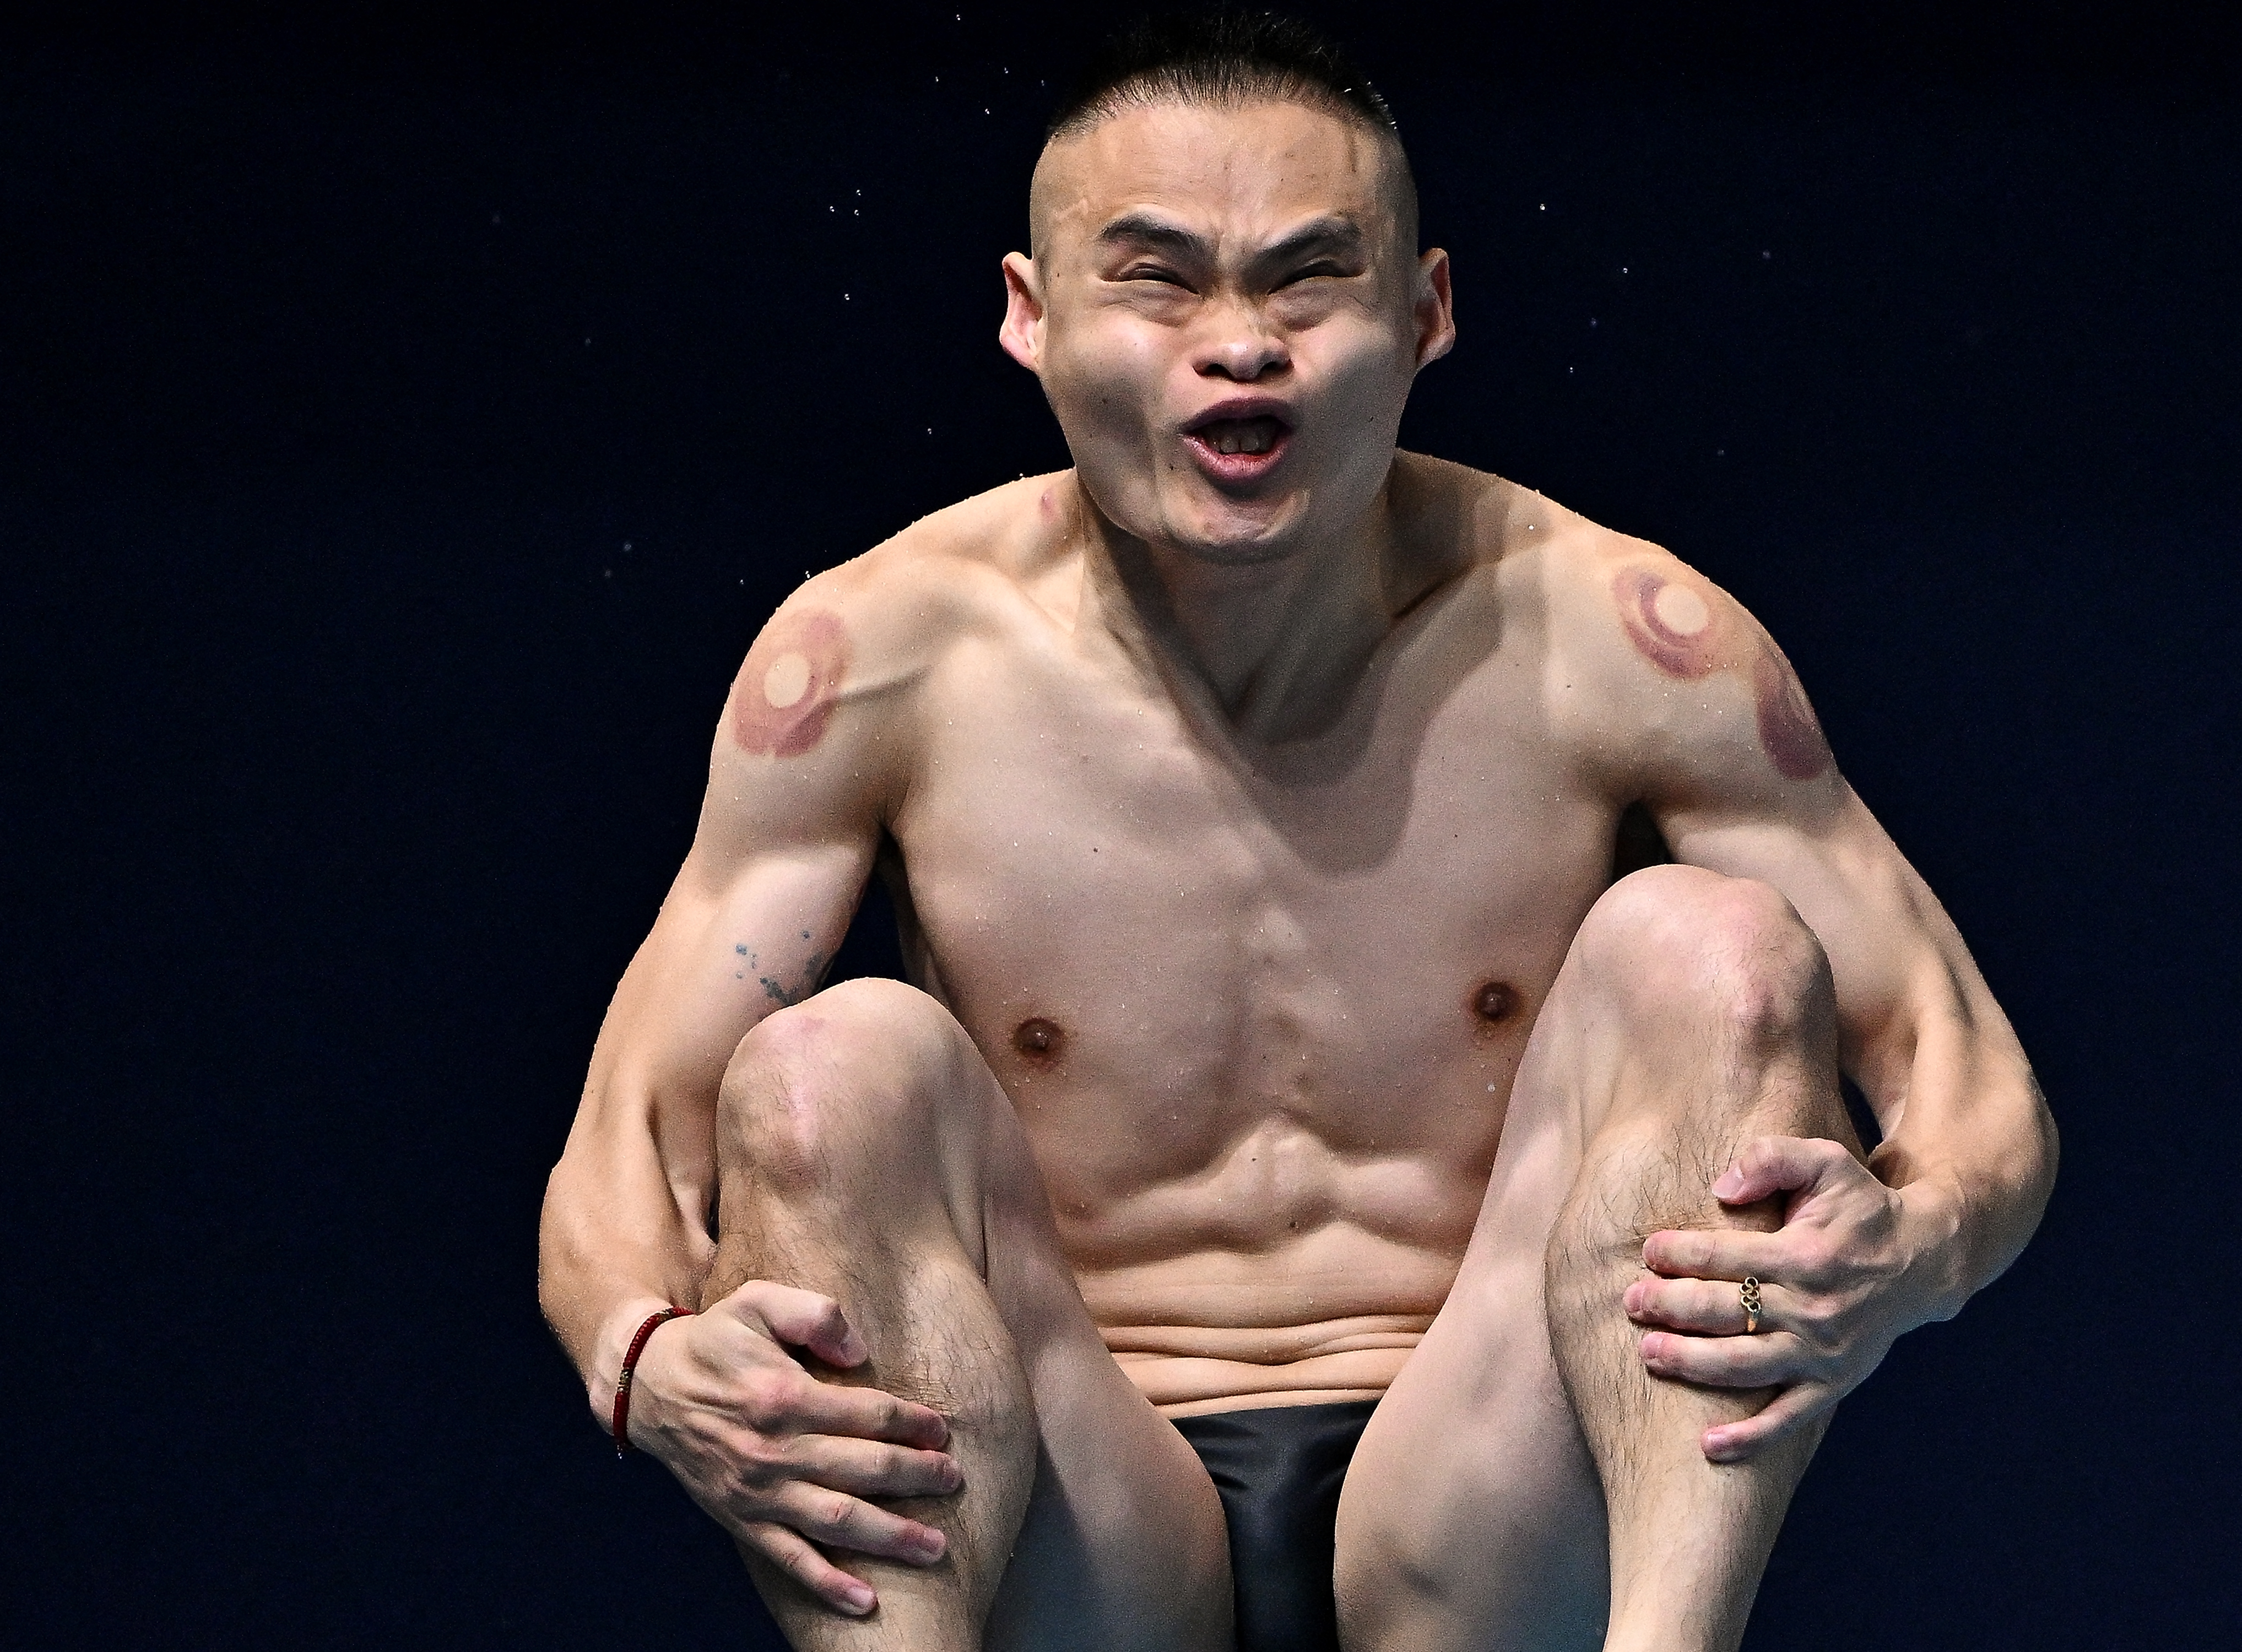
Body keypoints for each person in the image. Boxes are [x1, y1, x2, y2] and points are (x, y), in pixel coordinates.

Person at [537, 13, 2056, 1650]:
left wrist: (1900, 1257)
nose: (1237, 344)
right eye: (1159, 279)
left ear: (1424, 314)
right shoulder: (873, 663)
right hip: (1084, 1509)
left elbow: (1976, 1093)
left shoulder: (1621, 638)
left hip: (1484, 1490)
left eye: (1307, 279)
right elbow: (626, 1144)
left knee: (1716, 951)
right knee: (827, 1074)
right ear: (1030, 320)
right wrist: (642, 1362)